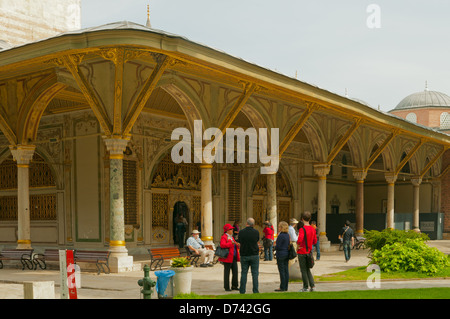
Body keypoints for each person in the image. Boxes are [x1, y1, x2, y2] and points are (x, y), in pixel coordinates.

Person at [237, 218, 260, 294]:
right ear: (253, 224)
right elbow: (257, 240)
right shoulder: (256, 232)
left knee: (244, 273)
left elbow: (239, 240)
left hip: (244, 254)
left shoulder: (241, 232)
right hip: (254, 254)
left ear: (246, 223)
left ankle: (242, 290)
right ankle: (255, 290)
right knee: (255, 274)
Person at [297, 211, 317, 292]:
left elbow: (299, 240)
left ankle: (305, 287)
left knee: (303, 270)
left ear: (302, 219)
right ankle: (312, 286)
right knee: (308, 269)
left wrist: (298, 246)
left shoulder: (302, 229)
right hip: (309, 252)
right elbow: (315, 241)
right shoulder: (313, 229)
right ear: (310, 219)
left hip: (302, 251)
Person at [219, 224, 240, 291]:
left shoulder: (231, 237)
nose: (232, 230)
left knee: (235, 272)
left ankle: (234, 286)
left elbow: (233, 245)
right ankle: (227, 287)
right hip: (227, 257)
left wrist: (237, 244)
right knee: (227, 273)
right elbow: (222, 245)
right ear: (227, 230)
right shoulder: (224, 237)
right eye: (231, 229)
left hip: (233, 257)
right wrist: (232, 244)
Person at [274, 221, 290, 291]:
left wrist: (275, 246)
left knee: (282, 271)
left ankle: (282, 287)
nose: (278, 228)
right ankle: (285, 286)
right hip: (286, 253)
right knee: (286, 270)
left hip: (281, 254)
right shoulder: (287, 235)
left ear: (282, 227)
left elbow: (278, 246)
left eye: (279, 226)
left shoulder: (281, 235)